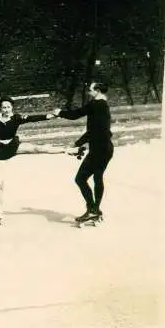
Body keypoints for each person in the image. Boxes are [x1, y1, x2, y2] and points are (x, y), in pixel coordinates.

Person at [0, 96, 81, 226]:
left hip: (13, 146)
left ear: (12, 107)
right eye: (4, 107)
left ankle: (69, 151)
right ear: (0, 108)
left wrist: (49, 116)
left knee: (36, 148)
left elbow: (32, 119)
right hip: (0, 151)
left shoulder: (17, 118)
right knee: (0, 183)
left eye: (8, 107)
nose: (6, 109)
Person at [53, 82, 114, 223]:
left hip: (98, 150)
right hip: (106, 148)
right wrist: (78, 143)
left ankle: (92, 210)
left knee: (80, 179)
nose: (88, 92)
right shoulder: (104, 106)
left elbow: (75, 115)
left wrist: (59, 113)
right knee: (97, 177)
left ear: (97, 91)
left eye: (90, 90)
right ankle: (95, 210)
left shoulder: (95, 104)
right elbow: (96, 130)